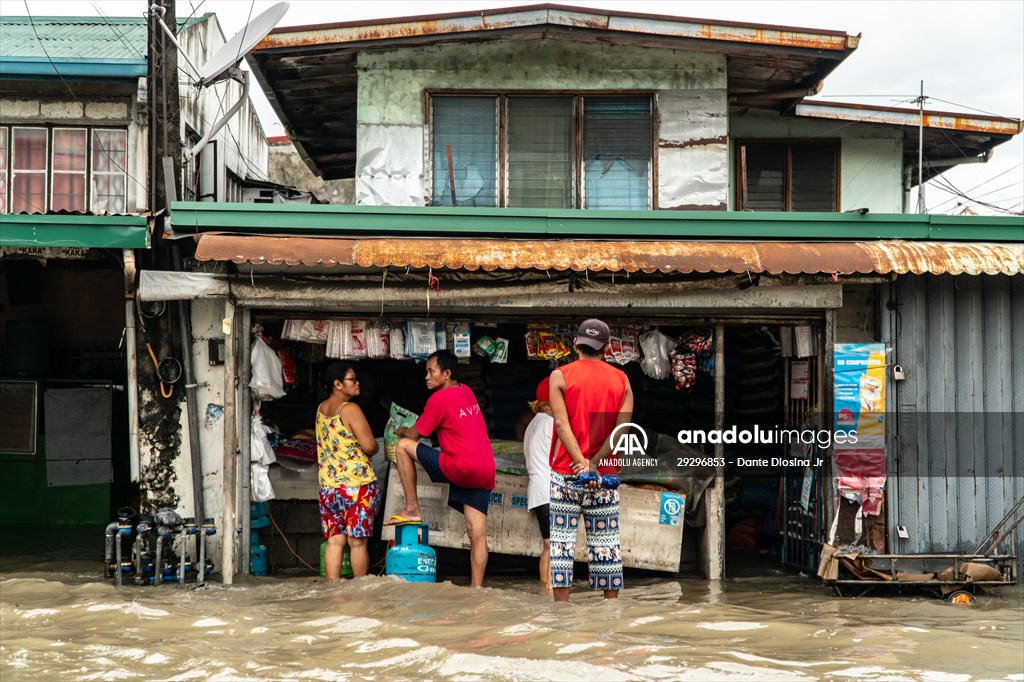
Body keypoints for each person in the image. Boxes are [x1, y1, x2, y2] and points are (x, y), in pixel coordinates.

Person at [389, 350, 496, 587]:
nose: (426, 377)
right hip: (485, 469)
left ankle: (412, 508)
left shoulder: (438, 398)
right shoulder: (466, 391)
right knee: (477, 533)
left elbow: (416, 434)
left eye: (430, 371)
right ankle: (476, 589)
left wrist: (402, 430)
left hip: (460, 466)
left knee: (404, 446)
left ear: (446, 374)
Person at [548, 318, 633, 602]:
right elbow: (622, 431)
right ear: (606, 348)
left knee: (562, 549)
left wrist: (581, 463)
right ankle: (610, 613)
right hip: (604, 477)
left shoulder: (559, 376)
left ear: (576, 343)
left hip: (565, 474)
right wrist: (594, 463)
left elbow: (562, 425)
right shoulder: (622, 380)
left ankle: (561, 614)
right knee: (606, 547)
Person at [316, 362, 380, 579]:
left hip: (329, 487)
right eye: (352, 379)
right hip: (355, 485)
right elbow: (370, 446)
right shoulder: (350, 409)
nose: (357, 383)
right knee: (358, 542)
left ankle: (333, 591)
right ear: (337, 384)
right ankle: (360, 590)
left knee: (334, 540)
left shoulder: (321, 409)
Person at [523, 376, 554, 593]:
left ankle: (545, 590)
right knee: (553, 547)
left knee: (548, 546)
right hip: (548, 491)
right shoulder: (551, 423)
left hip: (537, 491)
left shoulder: (534, 423)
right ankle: (551, 591)